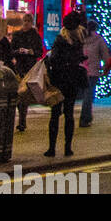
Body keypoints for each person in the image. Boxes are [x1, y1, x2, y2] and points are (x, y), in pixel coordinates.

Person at [44, 13, 86, 158]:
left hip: (59, 81)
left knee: (55, 114)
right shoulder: (78, 41)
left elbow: (53, 59)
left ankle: (52, 149)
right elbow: (78, 58)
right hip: (72, 81)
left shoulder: (60, 40)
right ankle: (68, 148)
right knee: (69, 114)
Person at [10, 12, 45, 131]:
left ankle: (22, 121)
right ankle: (21, 121)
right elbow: (11, 51)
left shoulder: (35, 36)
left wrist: (31, 52)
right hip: (20, 66)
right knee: (20, 94)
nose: (26, 23)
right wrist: (18, 52)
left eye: (28, 21)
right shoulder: (17, 35)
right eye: (25, 21)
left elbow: (39, 52)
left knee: (24, 95)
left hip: (30, 67)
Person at [78, 18, 111, 127]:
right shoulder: (98, 39)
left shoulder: (81, 39)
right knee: (89, 95)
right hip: (93, 71)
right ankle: (85, 118)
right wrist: (106, 69)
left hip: (81, 70)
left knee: (85, 94)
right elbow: (105, 56)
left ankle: (87, 116)